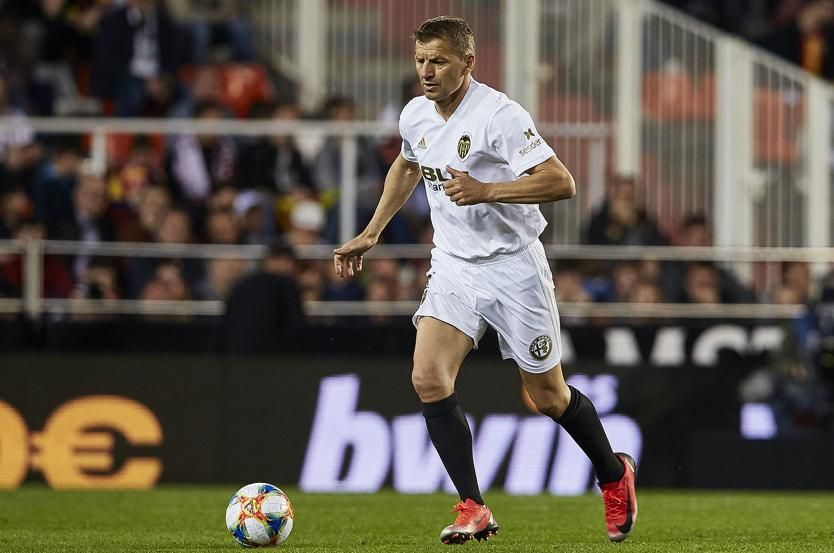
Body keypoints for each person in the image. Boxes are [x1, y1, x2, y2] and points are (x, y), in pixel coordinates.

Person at [332, 16, 638, 545]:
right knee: (428, 378)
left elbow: (559, 181)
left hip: (515, 265)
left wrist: (487, 190)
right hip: (454, 264)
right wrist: (371, 232)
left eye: (439, 61)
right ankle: (473, 505)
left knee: (548, 397)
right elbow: (407, 166)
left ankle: (614, 475)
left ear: (468, 63)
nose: (426, 72)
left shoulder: (499, 115)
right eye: (420, 61)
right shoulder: (415, 115)